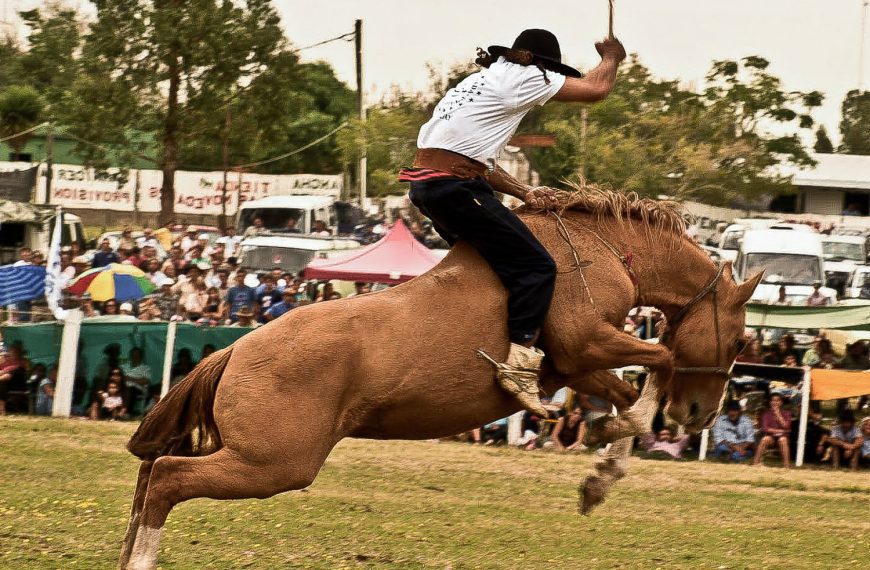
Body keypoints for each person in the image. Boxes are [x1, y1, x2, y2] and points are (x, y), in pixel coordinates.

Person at [401, 28, 625, 414]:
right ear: (544, 66)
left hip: (432, 186)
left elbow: (472, 161)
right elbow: (596, 90)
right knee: (537, 267)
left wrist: (525, 192)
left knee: (491, 271)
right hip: (454, 188)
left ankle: (474, 340)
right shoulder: (527, 77)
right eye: (553, 77)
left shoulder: (478, 82)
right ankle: (519, 367)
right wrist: (612, 58)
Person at [754, 394, 793, 468]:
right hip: (771, 436)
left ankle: (787, 466)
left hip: (783, 436)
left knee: (783, 440)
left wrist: (778, 415)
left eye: (777, 400)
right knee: (765, 439)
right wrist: (779, 431)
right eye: (773, 400)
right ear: (770, 402)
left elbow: (787, 426)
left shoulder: (787, 413)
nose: (775, 402)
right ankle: (756, 463)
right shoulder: (766, 414)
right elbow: (765, 428)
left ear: (781, 402)